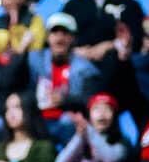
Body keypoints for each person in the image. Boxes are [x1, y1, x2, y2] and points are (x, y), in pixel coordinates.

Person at [22, 12, 102, 145]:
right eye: (55, 33)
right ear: (48, 37)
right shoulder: (35, 59)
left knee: (67, 122)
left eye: (65, 33)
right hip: (37, 117)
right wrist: (20, 52)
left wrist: (66, 100)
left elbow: (91, 100)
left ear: (73, 39)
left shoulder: (85, 68)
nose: (59, 39)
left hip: (69, 121)